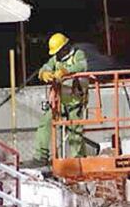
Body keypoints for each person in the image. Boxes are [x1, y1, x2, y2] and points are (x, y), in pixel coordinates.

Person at [31, 32, 88, 166]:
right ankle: (41, 156)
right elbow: (45, 67)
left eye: (59, 51)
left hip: (75, 100)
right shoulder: (55, 59)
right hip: (59, 100)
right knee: (45, 123)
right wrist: (44, 74)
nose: (58, 54)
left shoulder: (77, 55)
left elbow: (82, 65)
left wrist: (65, 71)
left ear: (65, 47)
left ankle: (78, 160)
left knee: (75, 130)